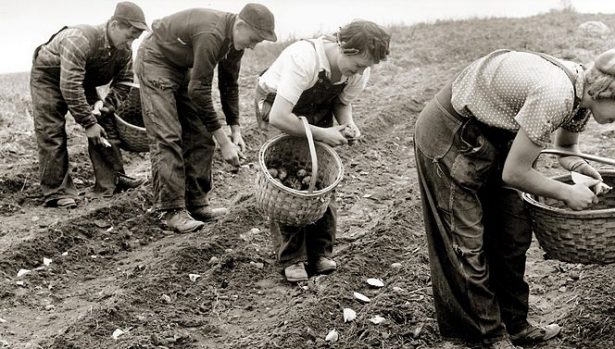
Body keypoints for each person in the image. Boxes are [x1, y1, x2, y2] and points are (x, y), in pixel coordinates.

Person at [413, 48, 615, 349]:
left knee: (514, 231)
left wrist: (581, 169)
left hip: (495, 135)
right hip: (453, 134)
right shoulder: (555, 93)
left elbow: (566, 149)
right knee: (467, 243)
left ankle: (515, 323)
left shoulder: (581, 95)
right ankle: (490, 339)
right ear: (610, 91)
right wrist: (565, 192)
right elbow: (515, 174)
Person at [255, 20, 391, 282]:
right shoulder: (304, 59)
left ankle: (319, 252)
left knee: (321, 179)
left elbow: (341, 102)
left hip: (315, 107)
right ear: (344, 47)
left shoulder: (359, 71)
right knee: (289, 180)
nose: (359, 72)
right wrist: (323, 134)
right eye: (358, 64)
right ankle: (292, 257)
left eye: (366, 67)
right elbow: (280, 117)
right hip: (278, 106)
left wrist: (348, 125)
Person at [135, 4, 277, 234]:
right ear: (241, 25)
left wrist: (235, 130)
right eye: (254, 39)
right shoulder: (212, 34)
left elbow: (229, 83)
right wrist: (224, 142)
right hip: (156, 60)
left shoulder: (234, 40)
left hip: (182, 65)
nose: (253, 46)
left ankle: (196, 203)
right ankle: (171, 211)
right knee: (168, 135)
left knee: (201, 131)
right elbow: (199, 91)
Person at [30, 1, 149, 208]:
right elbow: (70, 86)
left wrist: (107, 105)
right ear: (114, 26)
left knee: (104, 119)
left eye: (134, 39)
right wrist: (88, 123)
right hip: (49, 78)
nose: (131, 43)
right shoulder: (79, 39)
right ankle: (57, 191)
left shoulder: (124, 50)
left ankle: (112, 179)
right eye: (129, 36)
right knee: (51, 130)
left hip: (80, 79)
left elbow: (125, 81)